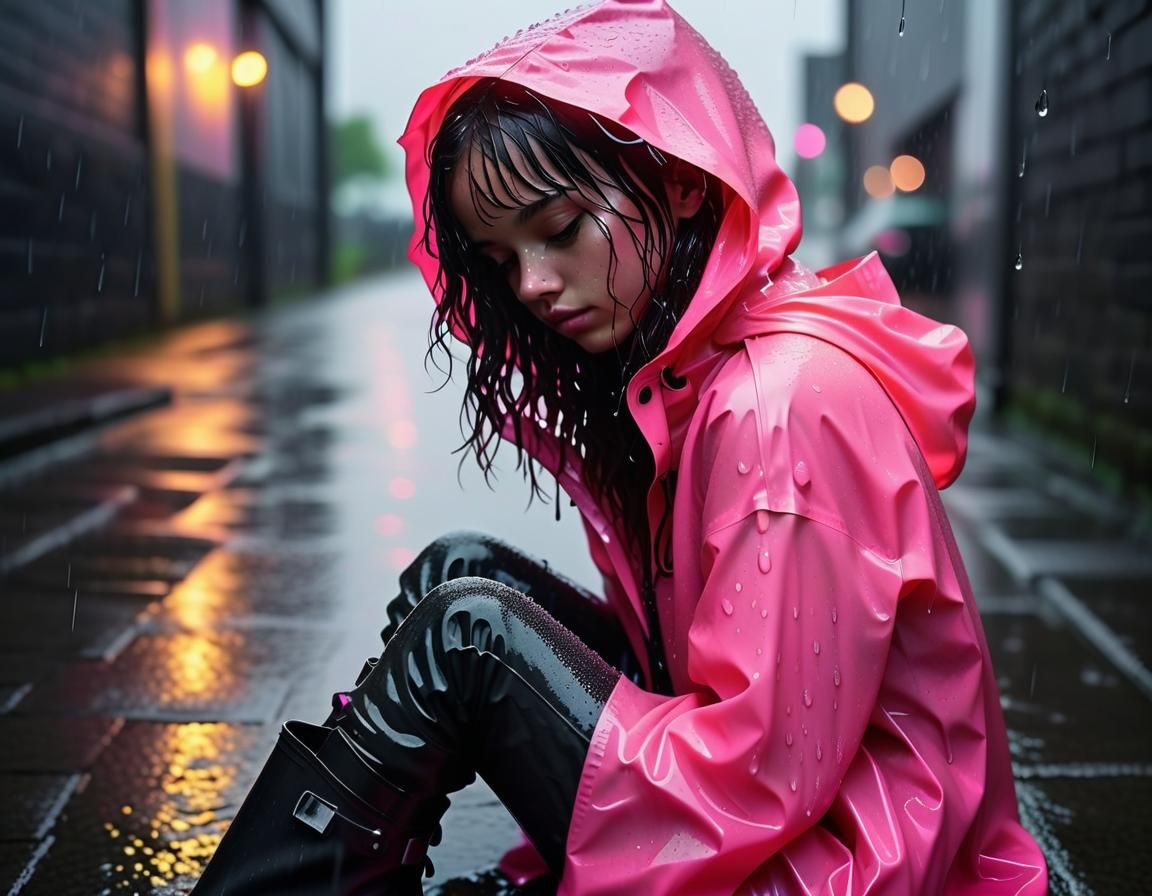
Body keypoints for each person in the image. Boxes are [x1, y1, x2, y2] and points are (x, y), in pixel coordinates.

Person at [191, 1, 1049, 893]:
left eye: (560, 230)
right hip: (802, 818)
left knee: (467, 639)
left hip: (845, 864)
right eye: (499, 256)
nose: (531, 284)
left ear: (681, 180)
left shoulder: (779, 407)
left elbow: (757, 777)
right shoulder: (693, 373)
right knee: (460, 576)